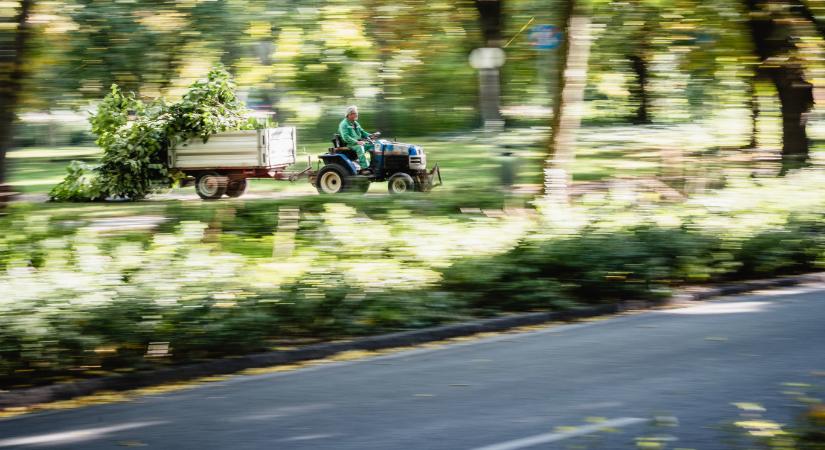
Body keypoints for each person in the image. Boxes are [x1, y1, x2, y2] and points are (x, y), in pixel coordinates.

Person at [338, 106, 374, 174]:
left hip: (358, 142)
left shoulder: (356, 123)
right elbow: (346, 137)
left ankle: (374, 165)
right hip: (349, 144)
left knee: (374, 145)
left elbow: (362, 132)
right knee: (360, 147)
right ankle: (364, 168)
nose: (357, 114)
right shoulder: (343, 124)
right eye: (355, 113)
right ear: (349, 114)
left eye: (356, 113)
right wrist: (357, 142)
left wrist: (371, 135)